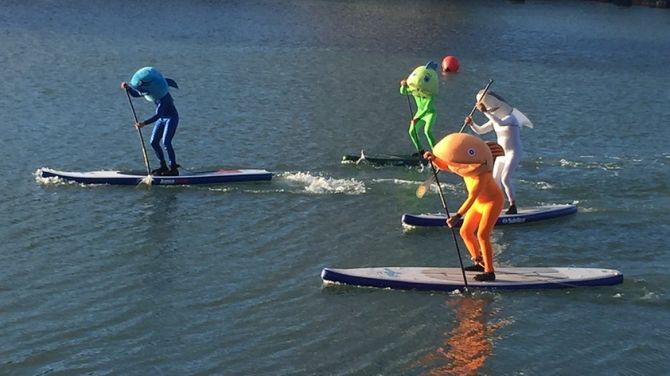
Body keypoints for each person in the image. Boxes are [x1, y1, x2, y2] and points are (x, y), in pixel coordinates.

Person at [424, 133, 505, 282]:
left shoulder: (482, 175)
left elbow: (471, 197)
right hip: (478, 204)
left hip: (492, 202)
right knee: (465, 232)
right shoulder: (467, 167)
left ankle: (490, 271)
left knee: (482, 235)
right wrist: (434, 158)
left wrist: (457, 216)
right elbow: (447, 166)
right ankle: (479, 262)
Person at [464, 90, 533, 214]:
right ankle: (497, 205)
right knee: (495, 180)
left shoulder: (511, 118)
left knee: (505, 178)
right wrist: (471, 124)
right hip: (502, 155)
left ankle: (513, 205)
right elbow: (480, 131)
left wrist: (485, 112)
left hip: (513, 153)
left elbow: (499, 122)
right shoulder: (494, 120)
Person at [121, 67, 180, 176]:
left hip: (171, 118)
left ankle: (173, 169)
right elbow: (136, 94)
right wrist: (128, 88)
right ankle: (163, 166)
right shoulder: (152, 91)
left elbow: (157, 115)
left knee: (166, 142)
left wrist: (144, 123)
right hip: (162, 119)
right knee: (153, 142)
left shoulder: (163, 98)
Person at [400, 61, 440, 157]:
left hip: (430, 114)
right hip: (420, 113)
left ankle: (436, 153)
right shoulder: (416, 91)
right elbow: (403, 92)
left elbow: (427, 109)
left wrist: (417, 119)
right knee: (412, 131)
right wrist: (403, 85)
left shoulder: (431, 96)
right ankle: (420, 151)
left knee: (427, 131)